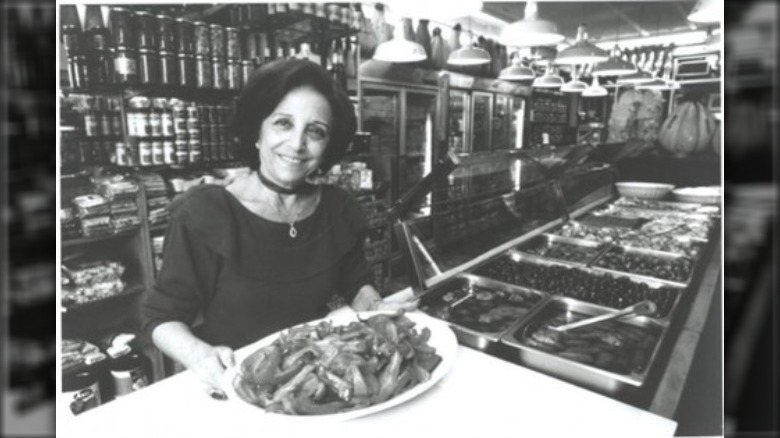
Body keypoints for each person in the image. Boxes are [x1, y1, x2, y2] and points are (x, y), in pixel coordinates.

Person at [141, 59, 414, 390]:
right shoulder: (205, 213)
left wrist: (377, 308)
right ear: (257, 131)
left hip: (314, 383)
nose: (297, 144)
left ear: (328, 146)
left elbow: (356, 283)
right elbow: (161, 317)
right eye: (283, 124)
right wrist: (199, 355)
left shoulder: (338, 208)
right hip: (236, 383)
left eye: (315, 131)